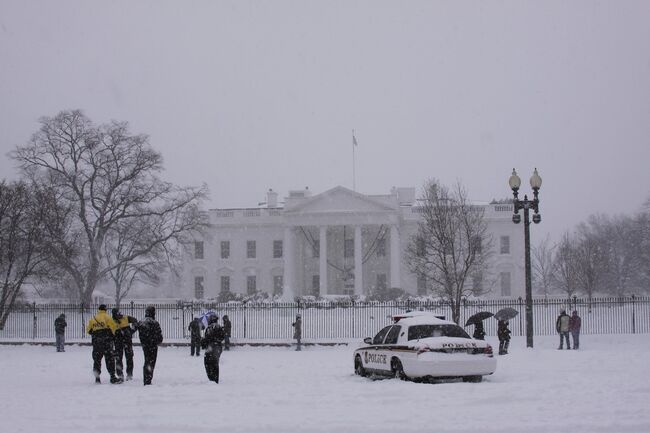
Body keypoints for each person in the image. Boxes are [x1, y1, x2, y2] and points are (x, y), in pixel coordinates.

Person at [86, 304, 120, 384]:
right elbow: (114, 328)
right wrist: (111, 335)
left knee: (97, 360)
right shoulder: (108, 317)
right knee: (109, 359)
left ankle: (97, 378)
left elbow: (88, 330)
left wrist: (97, 334)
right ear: (105, 309)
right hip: (107, 342)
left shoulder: (93, 318)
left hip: (97, 342)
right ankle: (112, 377)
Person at [138, 305, 163, 386]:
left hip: (145, 345)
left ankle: (146, 378)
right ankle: (148, 379)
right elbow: (160, 337)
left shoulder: (141, 322)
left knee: (146, 361)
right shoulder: (155, 323)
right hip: (153, 345)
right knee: (151, 362)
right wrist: (157, 341)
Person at [112, 307, 138, 381]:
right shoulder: (112, 321)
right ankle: (121, 374)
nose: (119, 315)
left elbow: (135, 321)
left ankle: (129, 374)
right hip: (119, 341)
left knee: (128, 357)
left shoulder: (125, 318)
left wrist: (132, 331)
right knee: (119, 358)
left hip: (125, 341)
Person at [201, 314, 225, 383]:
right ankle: (215, 378)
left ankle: (212, 378)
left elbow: (208, 339)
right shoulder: (218, 327)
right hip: (217, 348)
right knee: (215, 363)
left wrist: (203, 341)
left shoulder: (210, 327)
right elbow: (222, 337)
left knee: (208, 363)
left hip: (211, 348)